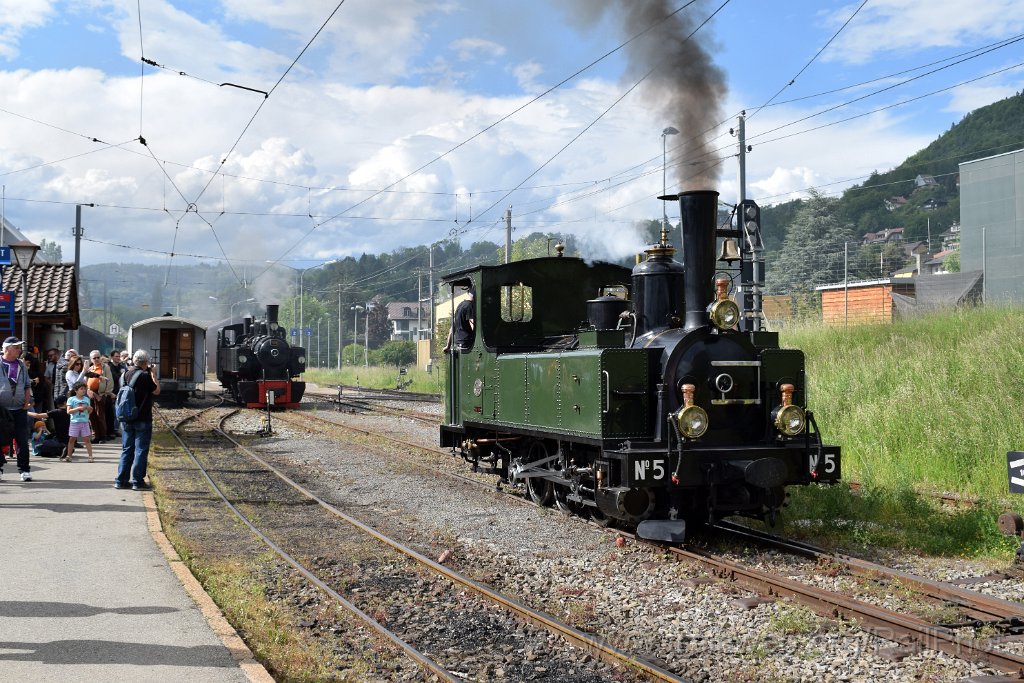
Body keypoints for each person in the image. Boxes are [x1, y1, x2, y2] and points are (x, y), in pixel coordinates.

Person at [115, 349, 160, 491]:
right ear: (146, 362)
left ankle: (121, 480)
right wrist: (154, 374)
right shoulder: (145, 376)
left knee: (126, 449)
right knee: (140, 450)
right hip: (143, 418)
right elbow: (157, 390)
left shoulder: (124, 375)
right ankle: (137, 481)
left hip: (126, 418)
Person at [0, 336, 34, 481]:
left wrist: (27, 402)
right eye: (16, 347)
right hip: (1, 409)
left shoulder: (21, 365)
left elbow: (27, 385)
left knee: (22, 440)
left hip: (19, 409)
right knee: (0, 439)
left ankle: (24, 469)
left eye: (20, 347)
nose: (19, 350)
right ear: (7, 349)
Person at [64, 381, 94, 463]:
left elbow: (88, 412)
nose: (84, 390)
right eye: (81, 389)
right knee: (72, 439)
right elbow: (68, 411)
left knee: (87, 439)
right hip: (74, 422)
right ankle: (69, 456)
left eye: (85, 389)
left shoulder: (87, 399)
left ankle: (90, 456)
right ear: (76, 390)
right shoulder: (71, 399)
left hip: (84, 421)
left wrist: (90, 409)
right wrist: (78, 408)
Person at [442, 286, 475, 353]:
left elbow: (452, 328)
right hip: (467, 343)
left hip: (458, 343)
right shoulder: (470, 306)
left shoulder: (460, 305)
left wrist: (448, 346)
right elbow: (472, 324)